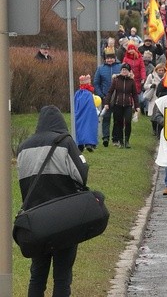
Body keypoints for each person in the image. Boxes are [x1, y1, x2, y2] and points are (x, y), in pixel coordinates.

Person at [17, 105, 89, 297]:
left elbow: (23, 184)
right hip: (64, 219)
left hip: (36, 222)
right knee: (62, 276)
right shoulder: (65, 142)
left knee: (37, 276)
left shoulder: (23, 148)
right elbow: (81, 176)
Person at [102, 63, 140, 148]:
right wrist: (106, 103)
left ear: (129, 71)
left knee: (128, 122)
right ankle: (120, 141)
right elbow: (110, 92)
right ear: (120, 71)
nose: (124, 71)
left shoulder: (131, 81)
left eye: (126, 70)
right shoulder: (116, 80)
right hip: (117, 104)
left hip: (128, 105)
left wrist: (137, 106)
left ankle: (127, 140)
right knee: (118, 123)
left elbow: (134, 94)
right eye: (123, 70)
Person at [94, 47, 122, 147]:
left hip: (118, 97)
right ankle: (105, 137)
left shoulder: (120, 67)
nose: (109, 60)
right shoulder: (101, 68)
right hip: (106, 97)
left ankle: (115, 138)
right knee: (106, 118)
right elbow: (96, 83)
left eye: (111, 58)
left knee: (117, 119)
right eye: (107, 58)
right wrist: (101, 95)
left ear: (115, 58)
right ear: (105, 59)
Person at [74, 75, 100, 152]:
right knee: (89, 126)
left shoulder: (80, 93)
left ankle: (82, 143)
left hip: (83, 113)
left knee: (82, 126)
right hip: (89, 113)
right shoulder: (87, 93)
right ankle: (88, 143)